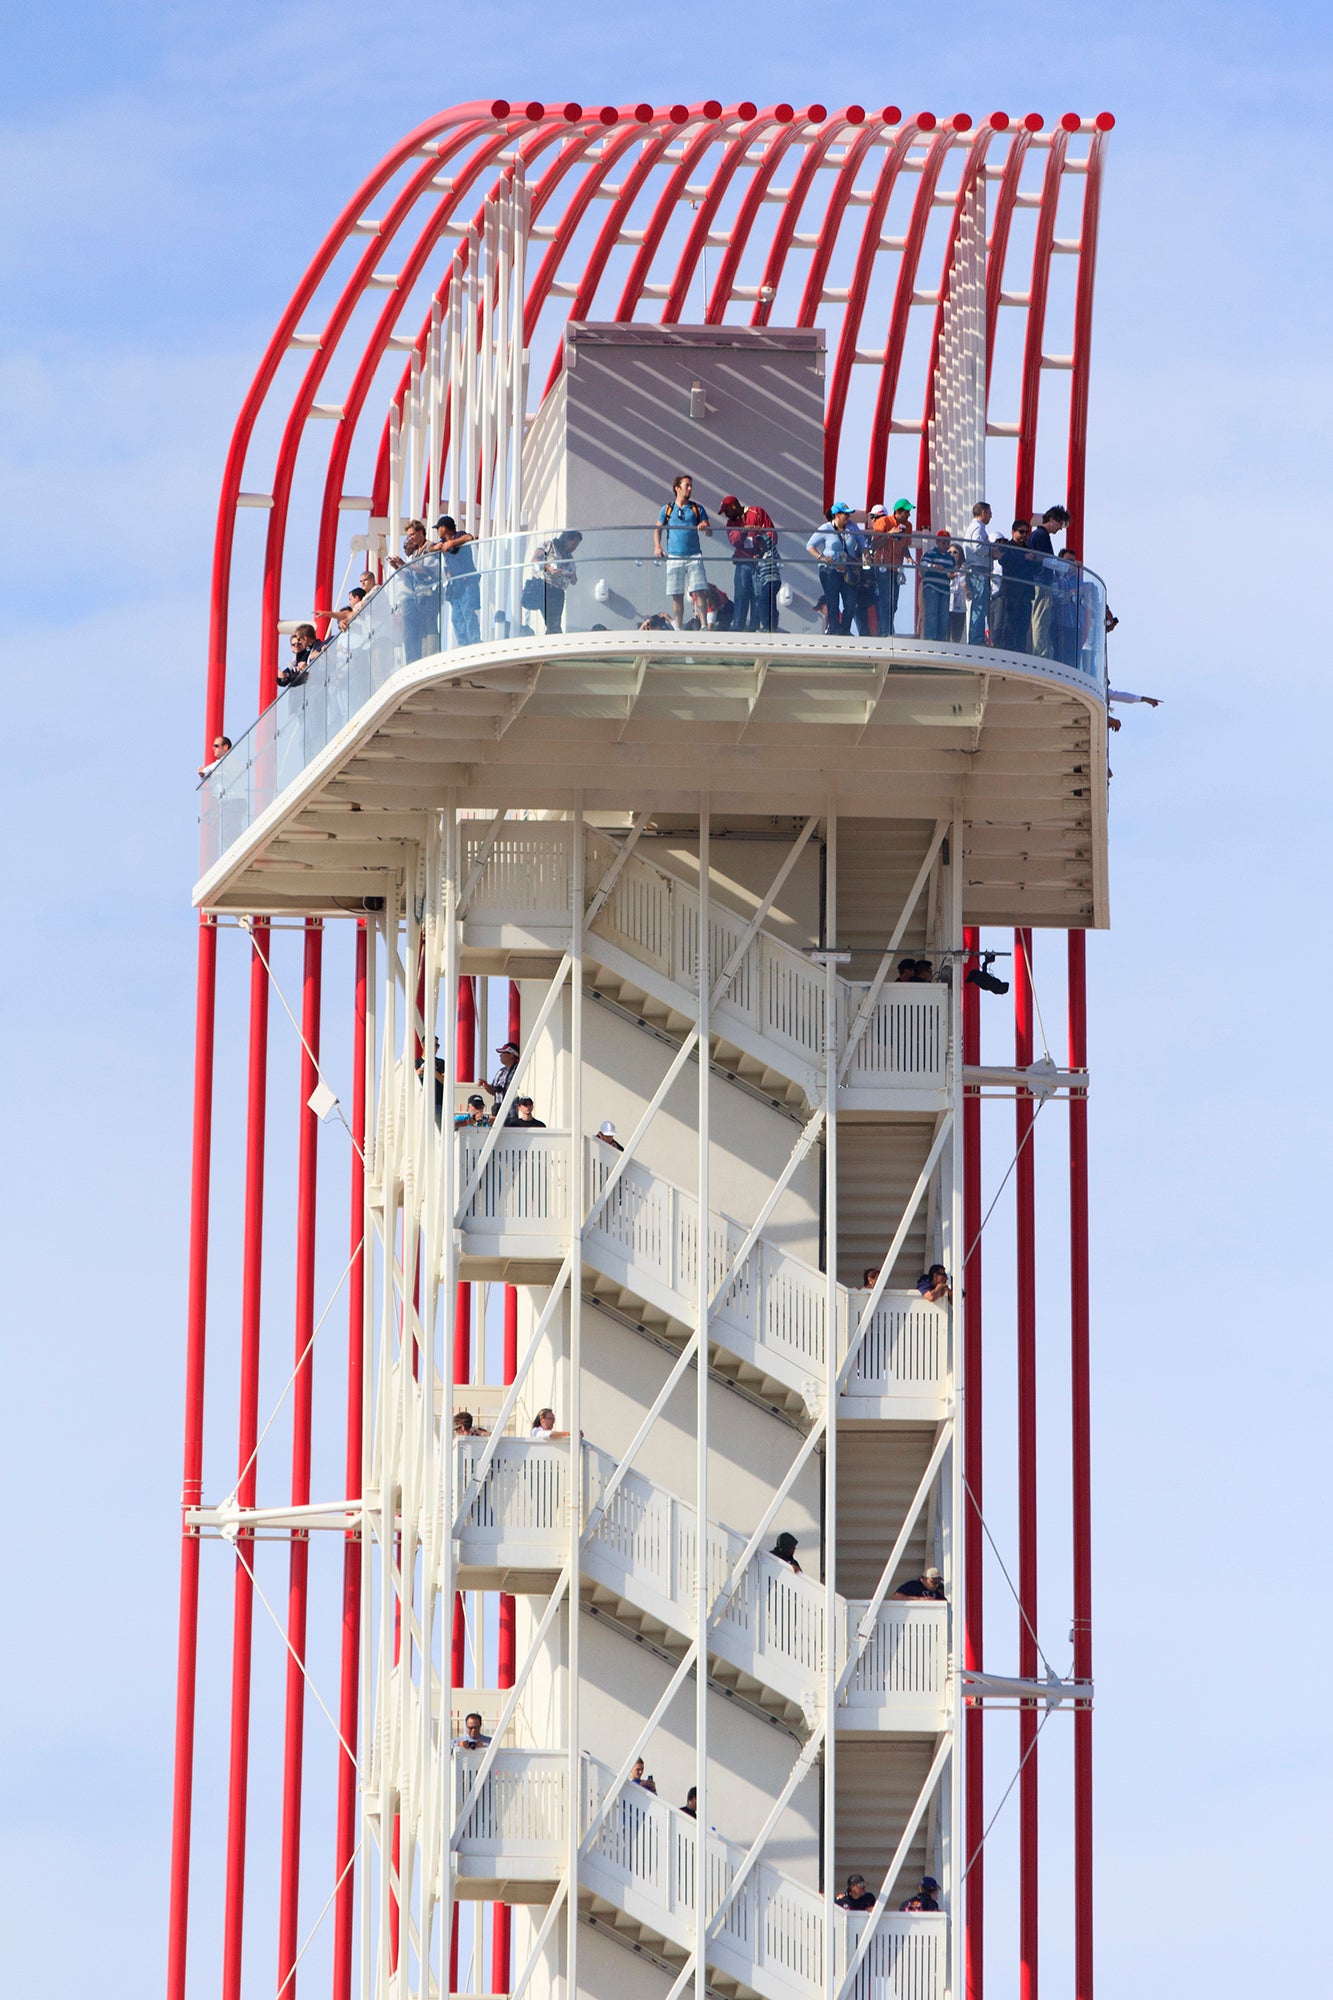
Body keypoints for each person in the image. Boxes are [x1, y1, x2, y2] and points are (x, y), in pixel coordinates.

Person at [654, 473, 712, 629]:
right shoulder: (667, 509)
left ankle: (704, 626)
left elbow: (709, 530)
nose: (690, 489)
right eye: (687, 485)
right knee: (677, 594)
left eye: (691, 485)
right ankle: (678, 628)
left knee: (699, 591)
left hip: (694, 555)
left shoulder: (696, 508)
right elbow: (658, 530)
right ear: (677, 488)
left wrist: (705, 528)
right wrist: (657, 546)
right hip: (674, 555)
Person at [719, 494, 778, 634]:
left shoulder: (757, 512)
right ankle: (738, 625)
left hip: (760, 562)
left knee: (758, 595)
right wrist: (745, 530)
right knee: (741, 593)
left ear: (734, 506)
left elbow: (772, 534)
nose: (726, 515)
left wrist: (761, 539)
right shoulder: (731, 524)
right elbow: (734, 541)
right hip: (743, 562)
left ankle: (755, 626)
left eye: (726, 511)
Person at [806, 503, 867, 636]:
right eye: (845, 514)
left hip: (848, 570)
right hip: (830, 571)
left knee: (850, 603)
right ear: (837, 515)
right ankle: (835, 629)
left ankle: (845, 629)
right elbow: (810, 545)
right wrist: (821, 557)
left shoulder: (852, 526)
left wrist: (866, 553)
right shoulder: (825, 528)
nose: (848, 517)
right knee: (833, 601)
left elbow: (863, 542)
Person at [1026, 505, 1070, 656]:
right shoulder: (1041, 535)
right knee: (1040, 618)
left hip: (1039, 582)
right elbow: (1043, 559)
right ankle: (1040, 650)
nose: (1061, 528)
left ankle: (1038, 647)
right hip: (1041, 582)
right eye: (1060, 524)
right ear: (1052, 520)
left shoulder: (1038, 535)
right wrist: (1064, 567)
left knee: (1039, 617)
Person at [434, 514, 481, 646]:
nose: (437, 531)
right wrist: (437, 547)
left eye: (438, 528)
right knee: (456, 617)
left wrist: (452, 543)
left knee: (468, 612)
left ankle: (474, 641)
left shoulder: (459, 535)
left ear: (444, 528)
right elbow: (429, 549)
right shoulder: (442, 543)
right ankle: (463, 643)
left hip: (466, 582)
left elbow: (469, 537)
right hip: (455, 586)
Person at [993, 520, 1035, 653]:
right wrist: (1024, 559)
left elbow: (1036, 568)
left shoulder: (1028, 549)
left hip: (1025, 594)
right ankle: (1008, 648)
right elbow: (1004, 561)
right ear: (1013, 532)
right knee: (1009, 623)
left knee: (1023, 624)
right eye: (1021, 532)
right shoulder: (1008, 547)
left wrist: (1032, 559)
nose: (1024, 535)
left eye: (1026, 532)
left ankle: (1020, 649)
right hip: (1010, 592)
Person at [528, 530, 582, 634]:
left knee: (555, 622)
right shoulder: (549, 545)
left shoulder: (569, 558)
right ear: (566, 538)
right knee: (553, 623)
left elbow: (574, 581)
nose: (574, 547)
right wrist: (550, 569)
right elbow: (535, 560)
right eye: (573, 543)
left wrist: (570, 576)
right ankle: (554, 639)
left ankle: (554, 637)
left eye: (576, 545)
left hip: (558, 592)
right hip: (544, 587)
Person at [918, 530, 958, 641]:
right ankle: (930, 638)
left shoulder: (951, 559)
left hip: (945, 589)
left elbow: (954, 570)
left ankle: (941, 639)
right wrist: (933, 566)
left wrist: (953, 574)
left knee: (943, 616)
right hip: (932, 587)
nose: (946, 545)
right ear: (937, 542)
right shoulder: (931, 554)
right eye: (944, 542)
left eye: (947, 543)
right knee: (931, 613)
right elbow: (923, 564)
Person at [963, 502, 994, 645]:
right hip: (978, 570)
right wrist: (992, 551)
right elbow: (977, 546)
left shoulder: (974, 527)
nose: (991, 516)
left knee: (979, 605)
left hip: (976, 570)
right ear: (983, 513)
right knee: (980, 605)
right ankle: (976, 639)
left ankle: (976, 637)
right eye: (989, 512)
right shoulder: (978, 527)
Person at [480, 1039, 519, 1117]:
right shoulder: (500, 1072)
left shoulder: (518, 1070)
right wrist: (486, 1085)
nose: (500, 1055)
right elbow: (494, 1091)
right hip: (498, 1114)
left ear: (511, 1055)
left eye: (503, 1053)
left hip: (513, 1114)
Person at [278, 623, 320, 689]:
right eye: (293, 644)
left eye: (299, 642)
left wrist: (305, 669)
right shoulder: (294, 661)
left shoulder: (312, 651)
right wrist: (284, 676)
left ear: (305, 638)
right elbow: (284, 680)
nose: (296, 646)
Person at [417, 1035, 447, 1117]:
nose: (437, 1048)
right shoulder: (415, 1063)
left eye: (438, 1045)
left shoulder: (441, 1063)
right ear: (424, 1045)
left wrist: (433, 1071)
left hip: (437, 1104)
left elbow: (445, 1081)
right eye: (435, 1045)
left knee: (437, 1128)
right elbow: (408, 1082)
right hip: (418, 1104)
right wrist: (417, 1074)